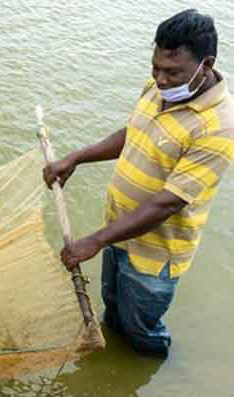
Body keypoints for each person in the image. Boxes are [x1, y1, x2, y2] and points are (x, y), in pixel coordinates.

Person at [43, 9, 234, 356]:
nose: (160, 80)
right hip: (119, 233)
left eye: (172, 72)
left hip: (154, 256)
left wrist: (93, 242)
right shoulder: (160, 90)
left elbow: (169, 202)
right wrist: (76, 158)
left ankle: (149, 375)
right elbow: (133, 132)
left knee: (142, 328)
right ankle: (115, 367)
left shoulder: (218, 127)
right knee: (113, 311)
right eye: (155, 68)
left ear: (205, 66)